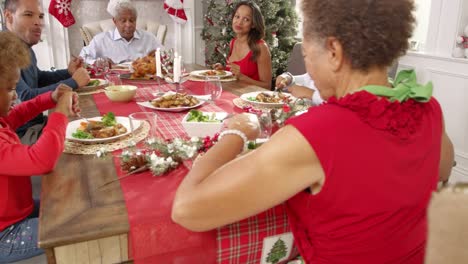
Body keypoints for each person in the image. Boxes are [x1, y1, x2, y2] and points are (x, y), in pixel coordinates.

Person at [172, 0, 455, 263]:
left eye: (307, 55)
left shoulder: (317, 133)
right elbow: (441, 171)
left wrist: (238, 132)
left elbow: (187, 209)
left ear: (333, 52)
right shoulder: (430, 109)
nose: (307, 65)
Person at [0, 31, 80, 263]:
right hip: (6, 233)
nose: (15, 96)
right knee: (74, 222)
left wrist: (51, 98)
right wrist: (60, 114)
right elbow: (42, 160)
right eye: (8, 89)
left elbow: (20, 112)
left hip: (18, 210)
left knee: (70, 202)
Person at [4, 0, 90, 144]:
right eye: (28, 15)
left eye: (41, 16)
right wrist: (73, 82)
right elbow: (24, 97)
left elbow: (39, 77)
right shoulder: (5, 52)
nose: (38, 22)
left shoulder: (23, 46)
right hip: (20, 136)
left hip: (36, 125)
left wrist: (68, 72)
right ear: (9, 17)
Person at [79, 0, 164, 66]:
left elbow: (165, 56)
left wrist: (154, 60)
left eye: (132, 20)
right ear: (115, 21)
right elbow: (82, 57)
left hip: (143, 79)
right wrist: (98, 62)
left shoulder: (148, 38)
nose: (128, 25)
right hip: (113, 84)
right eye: (123, 21)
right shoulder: (101, 39)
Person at [213, 1, 272, 89]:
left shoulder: (260, 47)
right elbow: (234, 74)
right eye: (237, 17)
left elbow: (267, 86)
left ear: (253, 24)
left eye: (246, 19)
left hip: (251, 98)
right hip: (234, 94)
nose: (239, 22)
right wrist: (223, 70)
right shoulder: (233, 42)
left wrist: (243, 77)